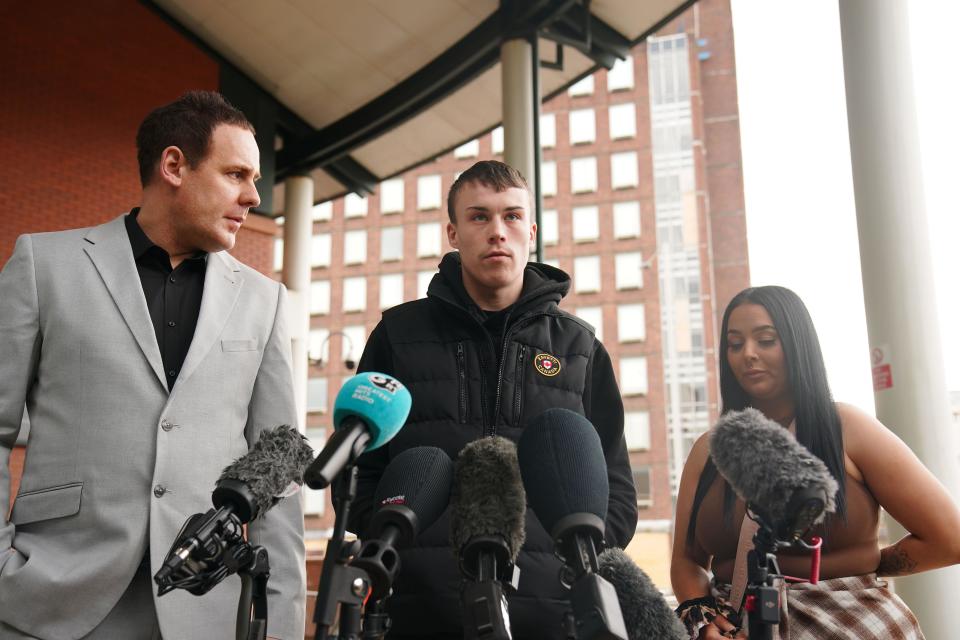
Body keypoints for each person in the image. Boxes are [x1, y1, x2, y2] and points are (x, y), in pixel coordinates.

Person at [0, 91, 305, 640]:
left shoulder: (267, 300)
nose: (254, 196)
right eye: (237, 174)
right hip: (50, 600)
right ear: (174, 166)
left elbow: (278, 474)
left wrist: (278, 625)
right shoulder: (44, 265)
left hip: (206, 608)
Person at [340, 160, 638, 639]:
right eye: (479, 217)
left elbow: (617, 491)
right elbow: (356, 476)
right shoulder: (397, 336)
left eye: (512, 216)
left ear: (532, 230)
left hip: (552, 618)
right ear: (453, 233)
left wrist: (574, 570)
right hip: (419, 616)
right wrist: (401, 557)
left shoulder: (580, 348)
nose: (497, 231)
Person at [670, 285, 960, 639]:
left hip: (851, 625)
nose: (747, 354)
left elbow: (950, 538)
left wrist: (863, 563)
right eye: (734, 344)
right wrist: (702, 618)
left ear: (797, 344)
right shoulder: (707, 449)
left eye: (766, 340)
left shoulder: (849, 429)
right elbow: (686, 560)